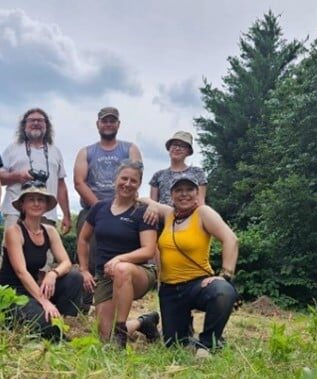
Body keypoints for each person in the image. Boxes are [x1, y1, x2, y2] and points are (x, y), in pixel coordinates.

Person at [140, 173, 238, 357]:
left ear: (197, 192)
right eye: (179, 190)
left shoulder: (203, 213)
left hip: (197, 284)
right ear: (172, 194)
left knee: (223, 291)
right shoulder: (169, 214)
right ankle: (184, 332)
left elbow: (231, 239)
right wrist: (153, 204)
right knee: (174, 344)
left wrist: (225, 274)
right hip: (169, 290)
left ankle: (208, 344)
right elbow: (140, 198)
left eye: (189, 189)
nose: (184, 194)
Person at [77, 160, 160, 348]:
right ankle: (143, 322)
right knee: (104, 336)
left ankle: (121, 334)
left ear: (139, 184)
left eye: (133, 181)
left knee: (122, 269)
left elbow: (148, 249)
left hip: (138, 272)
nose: (127, 184)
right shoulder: (99, 208)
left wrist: (120, 259)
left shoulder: (143, 212)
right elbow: (83, 239)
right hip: (105, 276)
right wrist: (83, 269)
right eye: (124, 178)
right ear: (116, 179)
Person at [73, 107, 142, 311]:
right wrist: (101, 208)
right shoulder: (86, 151)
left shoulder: (130, 149)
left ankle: (120, 298)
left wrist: (119, 208)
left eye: (112, 121)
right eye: (105, 121)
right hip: (92, 208)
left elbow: (137, 174)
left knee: (120, 256)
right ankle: (85, 303)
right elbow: (79, 181)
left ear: (118, 124)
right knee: (88, 253)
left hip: (126, 210)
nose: (108, 124)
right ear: (98, 124)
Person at [0, 182, 83, 340]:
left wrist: (53, 274)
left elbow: (66, 262)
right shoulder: (14, 231)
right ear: (22, 204)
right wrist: (44, 301)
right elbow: (21, 272)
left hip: (35, 287)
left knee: (75, 277)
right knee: (44, 322)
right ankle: (46, 320)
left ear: (46, 205)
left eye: (40, 199)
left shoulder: (49, 231)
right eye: (31, 199)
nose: (36, 203)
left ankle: (59, 317)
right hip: (13, 291)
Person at [0, 108, 72, 234]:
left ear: (47, 126)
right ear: (24, 126)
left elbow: (61, 186)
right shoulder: (12, 149)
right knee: (11, 251)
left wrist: (66, 215)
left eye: (40, 121)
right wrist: (16, 176)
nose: (36, 123)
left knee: (46, 253)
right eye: (31, 120)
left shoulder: (55, 151)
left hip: (47, 214)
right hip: (15, 213)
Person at [149, 131, 207, 206]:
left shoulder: (197, 172)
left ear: (188, 151)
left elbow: (201, 203)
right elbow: (152, 205)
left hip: (191, 215)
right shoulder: (158, 175)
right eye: (174, 145)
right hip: (164, 215)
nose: (177, 148)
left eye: (182, 146)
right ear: (169, 148)